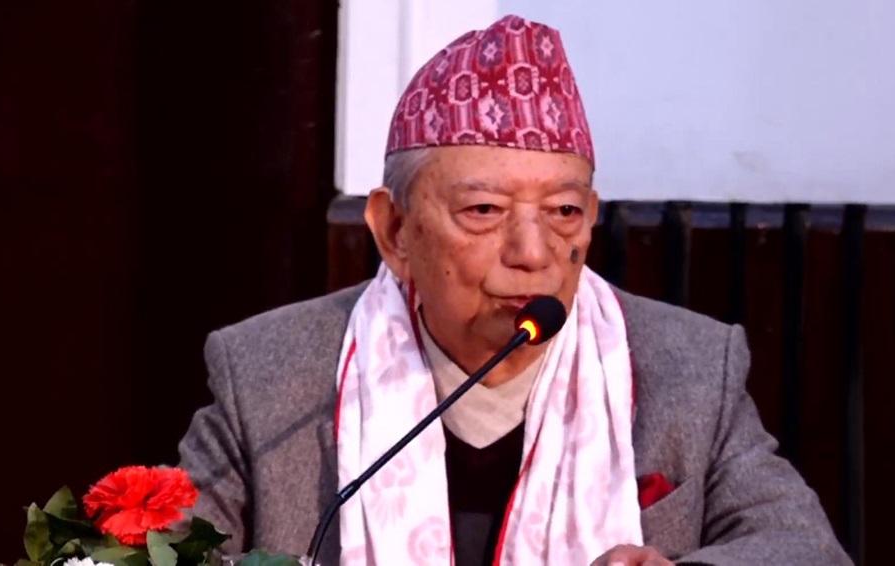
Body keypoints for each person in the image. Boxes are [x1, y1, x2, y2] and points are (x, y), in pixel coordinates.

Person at [178, 14, 852, 566]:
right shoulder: (269, 372)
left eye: (564, 212)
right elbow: (169, 553)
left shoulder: (690, 365)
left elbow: (805, 550)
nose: (533, 254)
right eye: (484, 211)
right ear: (394, 230)